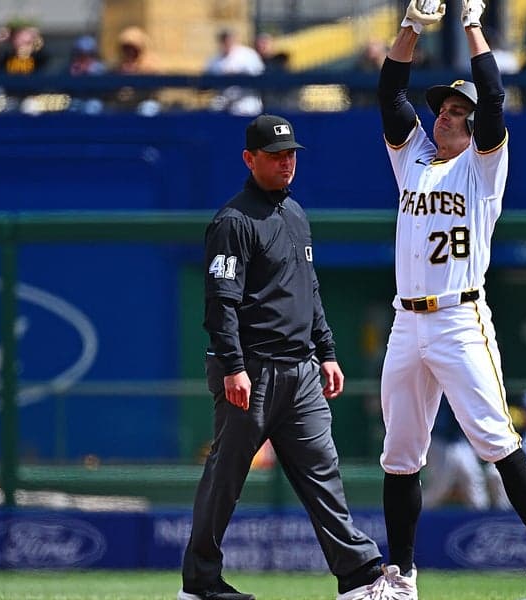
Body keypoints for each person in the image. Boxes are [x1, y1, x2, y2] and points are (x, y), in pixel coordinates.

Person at [367, 1, 526, 598]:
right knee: (400, 455)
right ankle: (401, 575)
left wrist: (471, 24)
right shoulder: (412, 159)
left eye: (458, 110)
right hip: (408, 322)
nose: (446, 116)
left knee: (495, 440)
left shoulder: (484, 169)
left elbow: (494, 95)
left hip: (460, 317)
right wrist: (411, 26)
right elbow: (389, 90)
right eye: (443, 109)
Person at [179, 115, 384, 600]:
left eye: (291, 153)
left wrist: (328, 352)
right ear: (249, 160)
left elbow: (308, 290)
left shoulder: (295, 213)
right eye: (275, 155)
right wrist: (232, 366)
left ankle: (357, 577)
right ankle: (200, 584)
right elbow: (220, 301)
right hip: (251, 370)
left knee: (323, 472)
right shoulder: (234, 221)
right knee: (226, 478)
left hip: (302, 371)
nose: (286, 161)